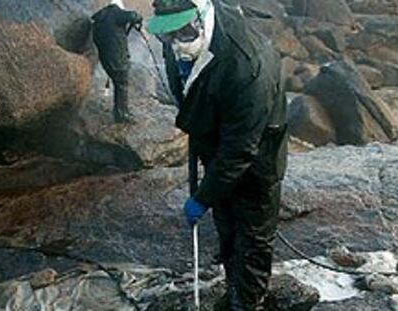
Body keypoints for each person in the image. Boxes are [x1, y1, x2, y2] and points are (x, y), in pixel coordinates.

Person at [147, 0, 288, 310]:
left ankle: (247, 302)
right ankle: (232, 288)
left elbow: (239, 149)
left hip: (257, 154)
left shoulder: (248, 64)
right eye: (165, 36)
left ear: (201, 16)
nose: (174, 44)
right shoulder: (180, 39)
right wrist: (188, 79)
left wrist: (202, 196)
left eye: (182, 33)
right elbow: (186, 92)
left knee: (252, 238)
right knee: (226, 226)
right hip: (215, 145)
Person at [92, 4, 143, 123]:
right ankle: (122, 115)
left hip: (106, 59)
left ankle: (120, 111)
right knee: (122, 84)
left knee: (118, 83)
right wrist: (137, 19)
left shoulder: (99, 20)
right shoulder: (115, 13)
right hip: (117, 58)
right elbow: (133, 16)